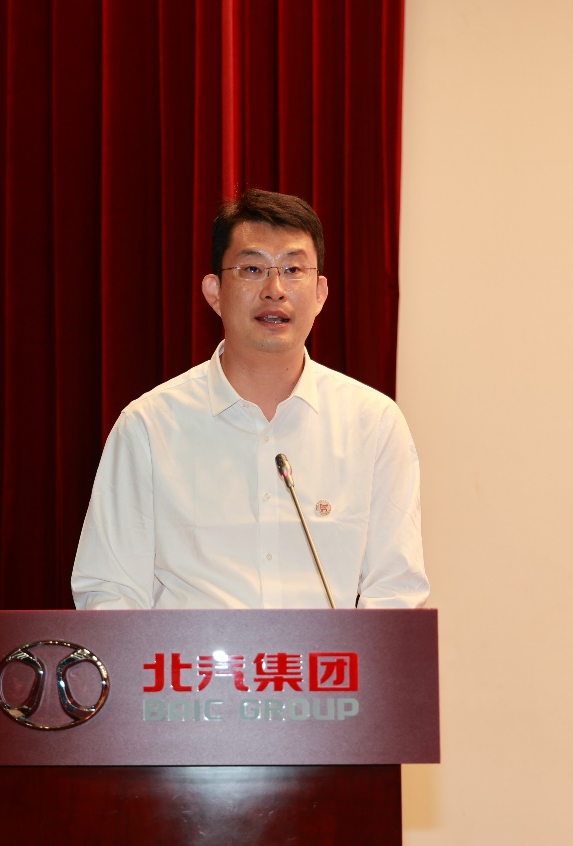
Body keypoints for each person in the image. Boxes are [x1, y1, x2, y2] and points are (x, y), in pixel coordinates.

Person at [71, 189, 429, 609]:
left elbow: (396, 592)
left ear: (320, 293)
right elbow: (110, 591)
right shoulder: (150, 426)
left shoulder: (374, 423)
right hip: (191, 656)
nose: (274, 290)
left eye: (293, 269)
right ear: (214, 291)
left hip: (324, 656)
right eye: (253, 269)